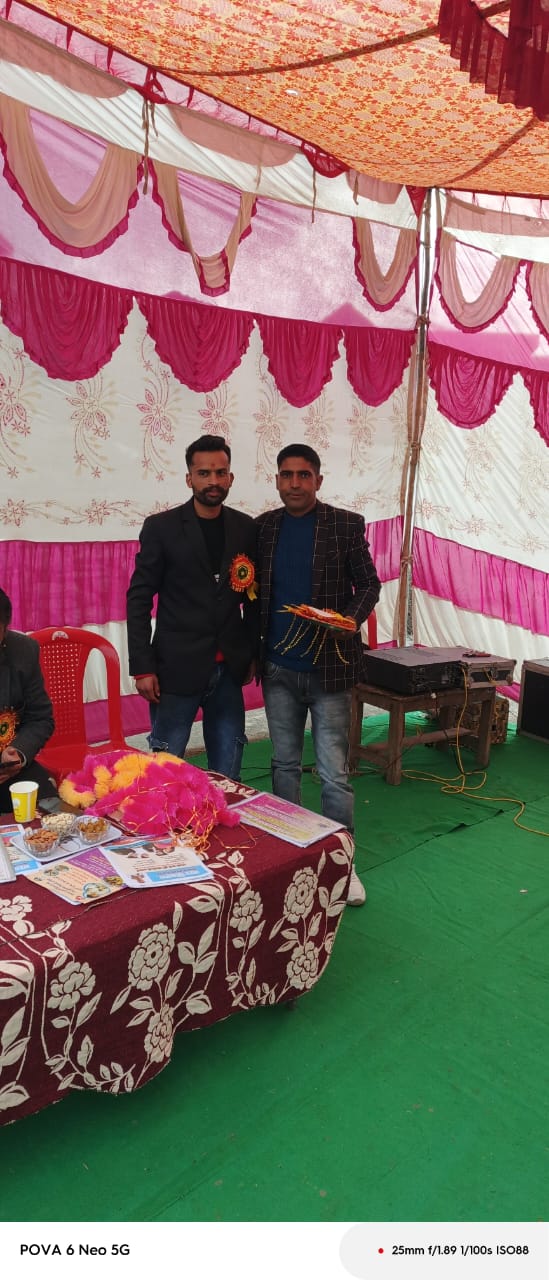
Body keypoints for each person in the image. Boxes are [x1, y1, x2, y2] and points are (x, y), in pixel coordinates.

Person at [255, 444, 381, 906]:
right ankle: (291, 861)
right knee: (284, 766)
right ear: (276, 480)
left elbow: (369, 584)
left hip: (330, 670)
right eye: (287, 475)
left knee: (333, 774)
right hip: (277, 669)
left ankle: (343, 866)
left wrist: (350, 619)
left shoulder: (345, 524)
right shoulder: (262, 528)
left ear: (318, 481)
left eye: (304, 475)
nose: (295, 483)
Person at [127, 434, 259, 780]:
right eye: (204, 473)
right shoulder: (161, 528)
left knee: (228, 773)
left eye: (220, 472)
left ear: (231, 477)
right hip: (174, 669)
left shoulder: (246, 528)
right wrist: (142, 666)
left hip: (229, 670)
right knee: (165, 772)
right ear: (189, 479)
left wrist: (251, 653)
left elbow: (253, 598)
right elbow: (139, 598)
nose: (213, 481)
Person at [0, 588, 57, 812]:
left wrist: (17, 752)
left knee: (53, 813)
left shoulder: (23, 651)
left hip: (6, 768)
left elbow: (40, 718)